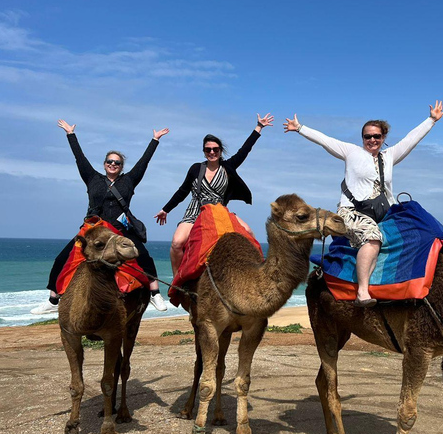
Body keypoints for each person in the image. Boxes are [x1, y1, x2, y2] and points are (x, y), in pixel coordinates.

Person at [283, 101, 443, 307]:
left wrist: (431, 120)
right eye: (367, 136)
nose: (372, 140)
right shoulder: (351, 152)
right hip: (351, 212)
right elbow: (325, 140)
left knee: (420, 230)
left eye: (377, 136)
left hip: (384, 213)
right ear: (362, 138)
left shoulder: (389, 156)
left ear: (383, 137)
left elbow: (410, 140)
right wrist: (300, 128)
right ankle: (362, 292)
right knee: (372, 238)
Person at [30, 119, 169, 314]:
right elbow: (80, 158)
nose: (113, 164)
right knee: (62, 258)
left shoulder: (129, 181)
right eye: (110, 161)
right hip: (94, 229)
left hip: (121, 229)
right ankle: (53, 300)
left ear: (121, 166)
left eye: (117, 162)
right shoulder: (92, 178)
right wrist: (71, 135)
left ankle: (155, 294)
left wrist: (155, 140)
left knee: (143, 255)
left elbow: (143, 162)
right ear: (104, 164)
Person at [154, 113, 273, 275]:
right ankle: (177, 280)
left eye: (215, 149)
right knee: (176, 243)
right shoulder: (196, 168)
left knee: (249, 233)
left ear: (220, 151)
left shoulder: (228, 167)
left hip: (219, 212)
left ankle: (258, 275)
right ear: (204, 151)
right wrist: (165, 209)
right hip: (196, 211)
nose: (212, 152)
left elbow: (245, 150)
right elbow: (182, 191)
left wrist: (259, 127)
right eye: (208, 149)